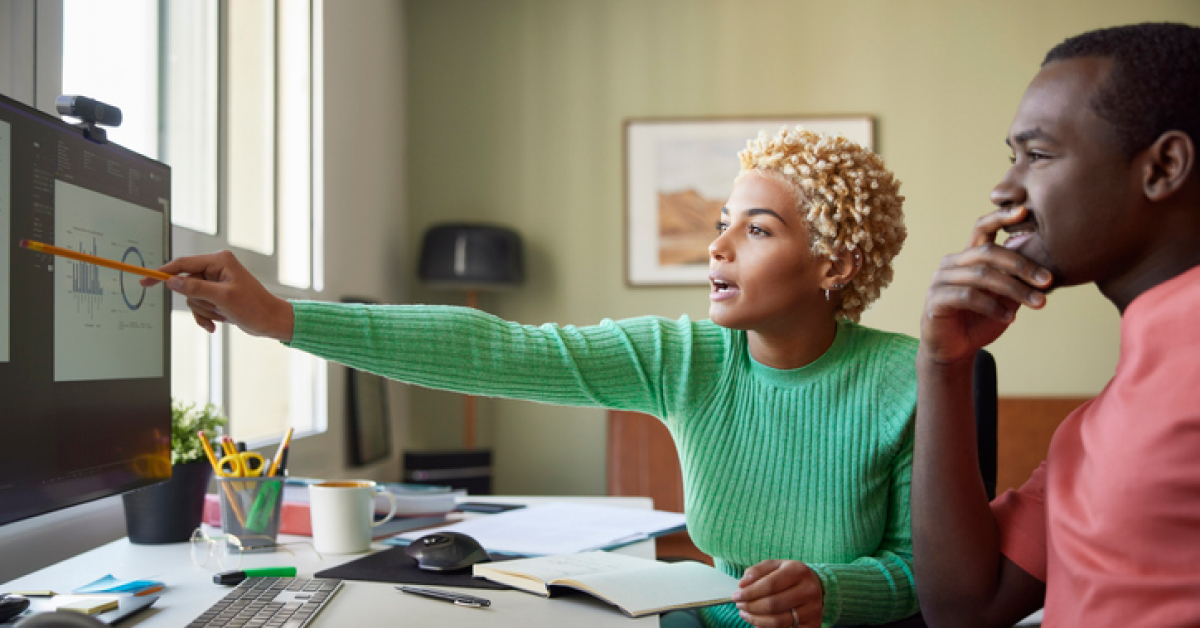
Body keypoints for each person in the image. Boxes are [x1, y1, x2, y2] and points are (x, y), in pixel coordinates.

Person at [152, 126, 917, 628]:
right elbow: (493, 349)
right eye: (722, 221)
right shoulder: (687, 358)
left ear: (834, 265)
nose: (718, 246)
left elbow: (927, 573)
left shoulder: (907, 381)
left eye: (757, 230)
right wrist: (282, 318)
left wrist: (831, 590)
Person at [912, 22, 1200, 628]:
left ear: (1163, 166)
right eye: (1011, 158)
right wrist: (943, 365)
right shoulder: (1098, 420)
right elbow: (964, 608)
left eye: (1038, 156)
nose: (1003, 189)